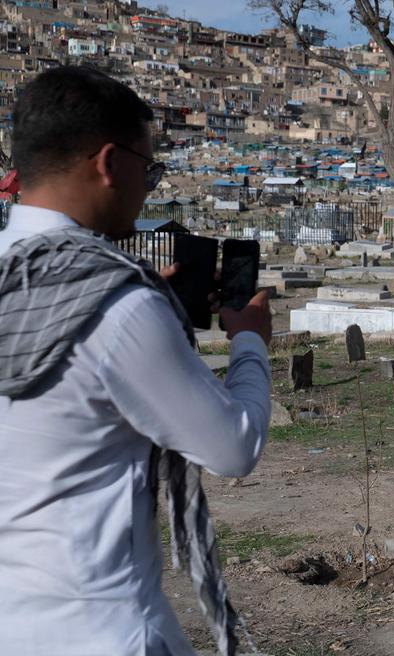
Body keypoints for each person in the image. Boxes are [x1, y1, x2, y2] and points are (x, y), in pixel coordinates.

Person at [0, 66, 273, 655]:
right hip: (102, 628)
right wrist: (250, 340)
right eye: (148, 168)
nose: (148, 186)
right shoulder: (116, 304)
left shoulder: (15, 273)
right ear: (108, 163)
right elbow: (233, 446)